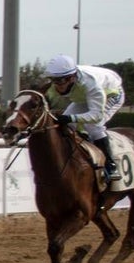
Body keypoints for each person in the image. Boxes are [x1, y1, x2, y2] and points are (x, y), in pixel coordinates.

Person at [44, 54, 125, 182]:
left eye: (60, 81)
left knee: (93, 127)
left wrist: (71, 118)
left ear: (71, 77)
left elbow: (96, 116)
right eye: (53, 80)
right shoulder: (58, 83)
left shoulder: (90, 84)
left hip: (110, 94)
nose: (56, 85)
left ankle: (111, 166)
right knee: (68, 125)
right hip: (85, 97)